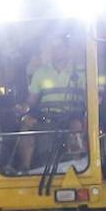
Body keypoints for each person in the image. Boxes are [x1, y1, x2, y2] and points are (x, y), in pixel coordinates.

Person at [12, 35, 85, 172]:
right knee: (26, 128)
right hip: (47, 116)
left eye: (59, 47)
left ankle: (78, 168)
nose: (55, 50)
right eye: (53, 47)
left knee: (76, 126)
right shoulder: (41, 72)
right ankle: (25, 169)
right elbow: (32, 99)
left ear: (67, 49)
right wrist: (24, 108)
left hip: (72, 116)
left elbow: (90, 94)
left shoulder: (81, 71)